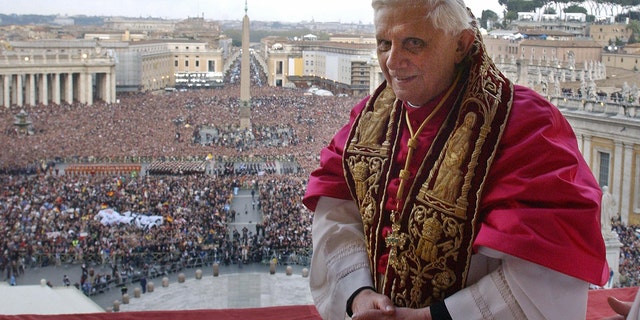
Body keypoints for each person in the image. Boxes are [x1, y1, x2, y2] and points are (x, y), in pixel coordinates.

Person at [302, 0, 609, 319]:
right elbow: (338, 209)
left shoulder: (525, 124)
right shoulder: (370, 117)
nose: (392, 61)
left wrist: (430, 316)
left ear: (461, 44)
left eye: (413, 43)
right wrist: (358, 294)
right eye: (384, 44)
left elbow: (547, 268)